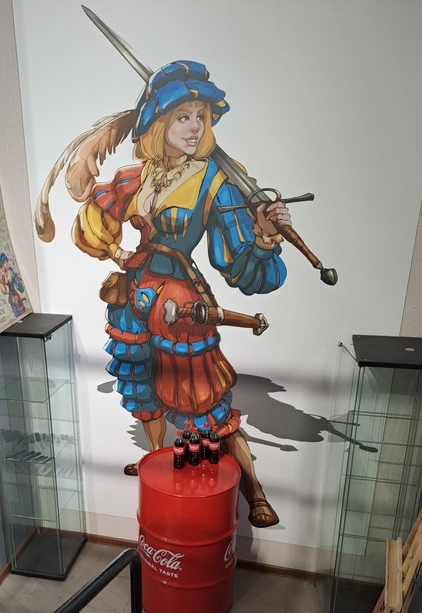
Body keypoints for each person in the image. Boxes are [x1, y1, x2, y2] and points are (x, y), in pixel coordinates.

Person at [37, 61, 291, 528]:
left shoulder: (215, 183)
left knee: (205, 399)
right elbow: (94, 215)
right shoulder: (139, 175)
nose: (195, 127)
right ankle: (157, 457)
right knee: (142, 385)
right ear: (158, 123)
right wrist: (114, 249)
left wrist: (263, 237)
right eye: (183, 116)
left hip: (181, 303)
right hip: (133, 297)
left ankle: (254, 491)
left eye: (201, 116)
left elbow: (240, 265)